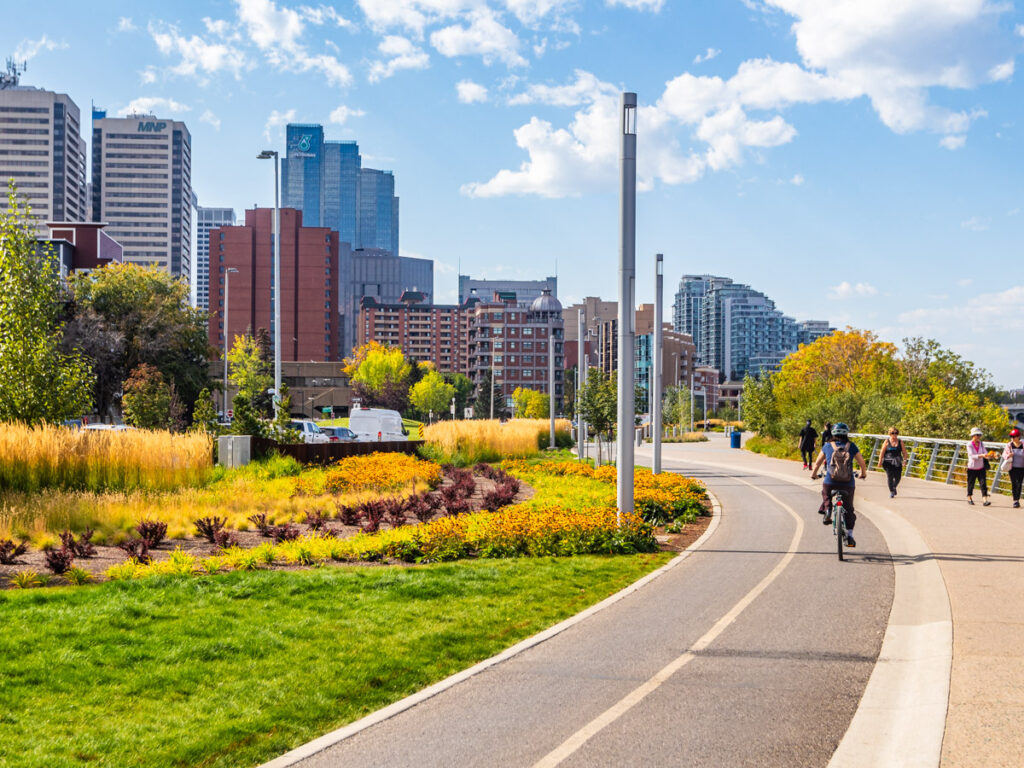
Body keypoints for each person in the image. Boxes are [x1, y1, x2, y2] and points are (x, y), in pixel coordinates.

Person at [810, 422, 868, 547]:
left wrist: (814, 474)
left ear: (833, 433)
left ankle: (828, 509)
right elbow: (862, 463)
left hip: (830, 481)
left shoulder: (827, 446)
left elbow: (817, 463)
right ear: (846, 433)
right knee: (849, 510)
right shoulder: (851, 446)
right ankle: (850, 536)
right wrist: (863, 474)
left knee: (826, 493)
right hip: (848, 483)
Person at [877, 427, 909, 498]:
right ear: (890, 434)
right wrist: (880, 461)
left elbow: (904, 452)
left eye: (896, 433)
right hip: (887, 462)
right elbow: (882, 452)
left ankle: (894, 487)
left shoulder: (900, 442)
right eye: (893, 433)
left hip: (897, 461)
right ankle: (891, 491)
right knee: (890, 476)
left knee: (898, 477)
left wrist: (905, 460)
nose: (894, 435)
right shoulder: (887, 441)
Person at [965, 427, 991, 506]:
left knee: (983, 484)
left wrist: (989, 455)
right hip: (972, 467)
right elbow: (971, 456)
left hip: (981, 467)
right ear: (973, 435)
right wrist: (981, 455)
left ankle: (985, 500)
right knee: (971, 483)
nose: (979, 436)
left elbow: (985, 453)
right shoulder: (969, 445)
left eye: (980, 435)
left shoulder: (981, 444)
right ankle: (969, 497)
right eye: (977, 435)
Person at [1001, 428, 1024, 508]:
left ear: (1018, 437)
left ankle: (1017, 499)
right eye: (1011, 436)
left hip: (1022, 468)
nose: (1012, 438)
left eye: (1014, 436)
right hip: (1012, 468)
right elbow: (1004, 455)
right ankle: (1015, 500)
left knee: (1019, 484)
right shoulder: (1009, 445)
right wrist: (1008, 455)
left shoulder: (1023, 444)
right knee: (1014, 483)